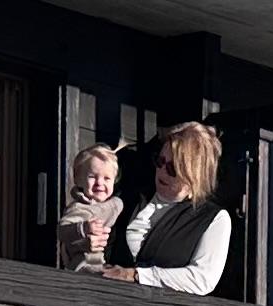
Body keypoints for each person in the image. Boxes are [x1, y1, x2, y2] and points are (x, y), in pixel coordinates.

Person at [91, 122, 232, 294]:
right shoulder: (129, 199)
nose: (162, 171)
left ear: (193, 174)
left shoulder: (213, 218)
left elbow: (202, 279)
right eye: (160, 161)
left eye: (173, 169)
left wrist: (136, 275)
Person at [54, 138, 125, 269]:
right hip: (83, 265)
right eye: (92, 177)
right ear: (78, 179)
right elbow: (61, 231)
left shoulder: (115, 204)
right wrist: (83, 228)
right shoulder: (79, 208)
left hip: (105, 264)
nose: (100, 183)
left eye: (107, 178)